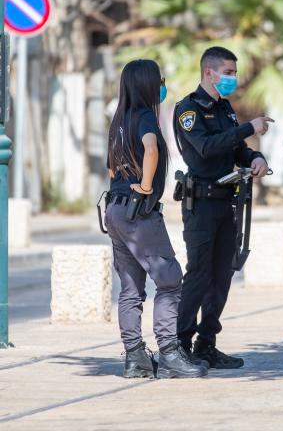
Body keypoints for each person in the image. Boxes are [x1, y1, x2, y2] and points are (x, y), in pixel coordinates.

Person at [105, 59, 207, 379]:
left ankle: (135, 358)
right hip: (139, 212)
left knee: (131, 288)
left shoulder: (118, 119)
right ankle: (169, 354)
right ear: (148, 84)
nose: (162, 85)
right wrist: (147, 186)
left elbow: (110, 167)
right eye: (159, 80)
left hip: (115, 208)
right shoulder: (146, 116)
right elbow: (151, 149)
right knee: (169, 279)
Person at [174, 46, 273, 368]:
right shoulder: (188, 110)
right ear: (209, 73)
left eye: (233, 72)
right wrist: (248, 128)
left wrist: (255, 157)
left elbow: (236, 148)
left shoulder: (224, 109)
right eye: (228, 73)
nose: (233, 78)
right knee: (199, 275)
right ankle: (180, 344)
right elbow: (205, 147)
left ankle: (207, 343)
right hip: (200, 203)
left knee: (222, 276)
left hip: (227, 200)